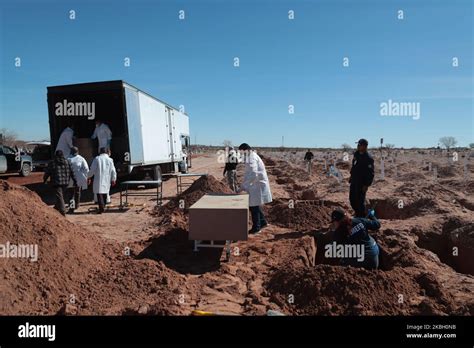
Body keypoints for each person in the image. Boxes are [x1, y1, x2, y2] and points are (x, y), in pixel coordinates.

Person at [238, 143, 272, 234]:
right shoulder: (252, 155)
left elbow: (253, 173)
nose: (242, 154)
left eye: (242, 152)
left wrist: (244, 186)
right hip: (256, 184)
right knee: (255, 205)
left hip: (256, 185)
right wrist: (243, 186)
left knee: (253, 206)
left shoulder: (251, 158)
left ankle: (256, 228)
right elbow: (249, 173)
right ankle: (263, 222)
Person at [43, 150, 77, 216]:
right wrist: (75, 181)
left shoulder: (52, 163)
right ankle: (56, 208)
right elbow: (72, 172)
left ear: (56, 155)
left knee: (60, 196)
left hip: (56, 182)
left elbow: (47, 172)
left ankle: (62, 211)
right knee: (60, 196)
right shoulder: (67, 162)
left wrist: (45, 180)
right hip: (66, 183)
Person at [349, 139, 374, 217]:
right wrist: (351, 176)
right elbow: (354, 166)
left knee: (360, 201)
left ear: (364, 146)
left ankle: (361, 217)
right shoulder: (356, 154)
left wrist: (366, 185)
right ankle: (357, 213)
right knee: (352, 199)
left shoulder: (368, 158)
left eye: (359, 145)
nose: (358, 146)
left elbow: (371, 173)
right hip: (354, 181)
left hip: (362, 183)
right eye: (358, 144)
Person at [88, 147, 117, 213]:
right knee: (105, 193)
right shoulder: (110, 160)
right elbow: (113, 171)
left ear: (100, 152)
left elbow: (92, 170)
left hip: (98, 179)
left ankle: (101, 208)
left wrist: (88, 176)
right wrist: (113, 179)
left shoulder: (97, 159)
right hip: (107, 179)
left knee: (99, 193)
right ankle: (103, 206)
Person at [67, 146, 89, 212]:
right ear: (78, 151)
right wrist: (85, 176)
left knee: (71, 194)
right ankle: (76, 205)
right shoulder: (81, 158)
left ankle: (71, 208)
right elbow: (86, 169)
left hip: (70, 178)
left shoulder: (67, 158)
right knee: (77, 192)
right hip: (78, 178)